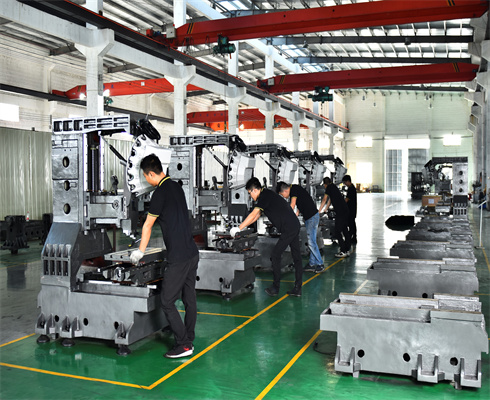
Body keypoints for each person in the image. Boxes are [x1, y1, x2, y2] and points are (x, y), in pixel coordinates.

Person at [130, 154, 199, 359]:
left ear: (151, 174)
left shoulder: (159, 193)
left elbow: (148, 225)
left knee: (167, 301)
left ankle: (184, 345)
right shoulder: (176, 187)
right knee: (189, 299)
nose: (146, 180)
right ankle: (189, 336)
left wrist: (140, 251)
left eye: (145, 177)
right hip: (191, 252)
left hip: (178, 257)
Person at [230, 177, 303, 297]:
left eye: (250, 193)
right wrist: (242, 228)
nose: (250, 197)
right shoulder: (266, 195)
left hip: (289, 228)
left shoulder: (264, 196)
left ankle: (275, 288)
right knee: (297, 257)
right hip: (293, 225)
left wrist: (238, 228)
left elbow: (253, 214)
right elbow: (256, 216)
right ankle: (297, 288)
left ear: (254, 190)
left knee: (275, 255)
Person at [276, 181, 324, 274]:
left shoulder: (293, 190)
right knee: (312, 241)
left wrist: (286, 218)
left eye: (282, 195)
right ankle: (312, 263)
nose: (284, 197)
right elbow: (300, 203)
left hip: (312, 217)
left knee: (311, 242)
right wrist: (296, 214)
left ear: (285, 191)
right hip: (311, 217)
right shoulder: (296, 188)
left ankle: (320, 264)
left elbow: (292, 204)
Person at [318, 176, 351, 258]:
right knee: (345, 230)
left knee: (337, 231)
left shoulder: (329, 187)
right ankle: (347, 250)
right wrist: (325, 209)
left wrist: (318, 211)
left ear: (325, 184)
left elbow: (324, 199)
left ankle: (343, 251)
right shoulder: (333, 186)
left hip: (340, 212)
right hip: (345, 210)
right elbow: (330, 200)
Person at [342, 175, 357, 244]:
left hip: (351, 209)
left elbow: (347, 199)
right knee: (352, 223)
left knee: (351, 224)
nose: (345, 184)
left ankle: (350, 237)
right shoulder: (352, 187)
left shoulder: (351, 189)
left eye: (345, 182)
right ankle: (353, 237)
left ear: (348, 181)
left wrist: (341, 202)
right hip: (352, 209)